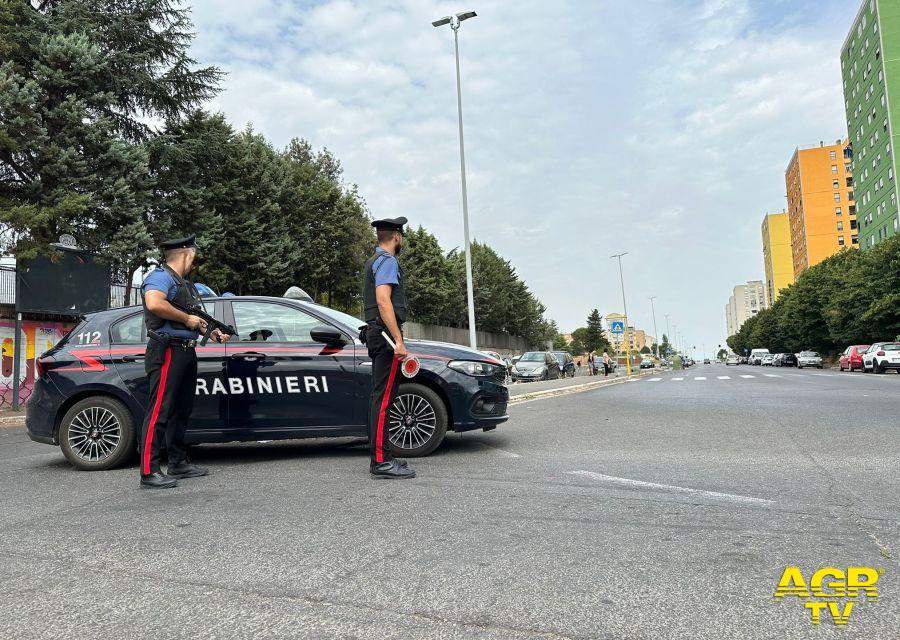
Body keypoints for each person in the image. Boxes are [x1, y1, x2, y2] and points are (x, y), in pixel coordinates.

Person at [139, 236, 229, 489]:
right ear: (187, 254)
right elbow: (155, 303)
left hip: (186, 351)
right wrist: (187, 319)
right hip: (167, 349)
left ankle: (177, 462)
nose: (195, 260)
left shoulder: (184, 285)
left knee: (181, 410)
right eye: (194, 255)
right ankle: (149, 470)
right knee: (160, 411)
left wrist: (209, 332)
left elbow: (192, 319)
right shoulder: (161, 277)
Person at [362, 217, 416, 479]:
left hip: (377, 334)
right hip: (385, 336)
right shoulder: (387, 261)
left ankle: (384, 455)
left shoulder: (374, 260)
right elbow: (384, 302)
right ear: (397, 236)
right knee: (383, 400)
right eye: (401, 236)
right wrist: (399, 341)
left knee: (381, 397)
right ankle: (381, 462)